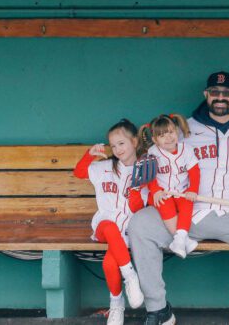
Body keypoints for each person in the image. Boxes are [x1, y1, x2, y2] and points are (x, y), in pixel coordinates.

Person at [129, 71, 229, 325]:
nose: (220, 97)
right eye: (214, 92)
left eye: (226, 93)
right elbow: (156, 158)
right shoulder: (184, 130)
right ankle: (158, 308)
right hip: (188, 213)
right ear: (206, 95)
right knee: (140, 225)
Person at [73, 118, 148, 325]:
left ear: (134, 142)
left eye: (121, 143)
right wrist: (89, 155)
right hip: (103, 226)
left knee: (109, 262)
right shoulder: (104, 167)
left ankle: (116, 304)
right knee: (109, 226)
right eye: (113, 146)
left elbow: (138, 208)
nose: (117, 149)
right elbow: (79, 172)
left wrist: (136, 188)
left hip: (129, 230)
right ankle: (131, 277)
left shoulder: (144, 171)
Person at [139, 113, 201, 258]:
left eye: (171, 132)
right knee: (164, 203)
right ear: (155, 140)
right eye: (162, 135)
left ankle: (180, 238)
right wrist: (155, 191)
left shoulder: (187, 149)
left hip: (181, 191)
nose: (168, 138)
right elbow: (150, 176)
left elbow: (195, 172)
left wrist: (193, 190)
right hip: (162, 192)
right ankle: (182, 240)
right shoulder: (153, 152)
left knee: (187, 203)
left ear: (177, 131)